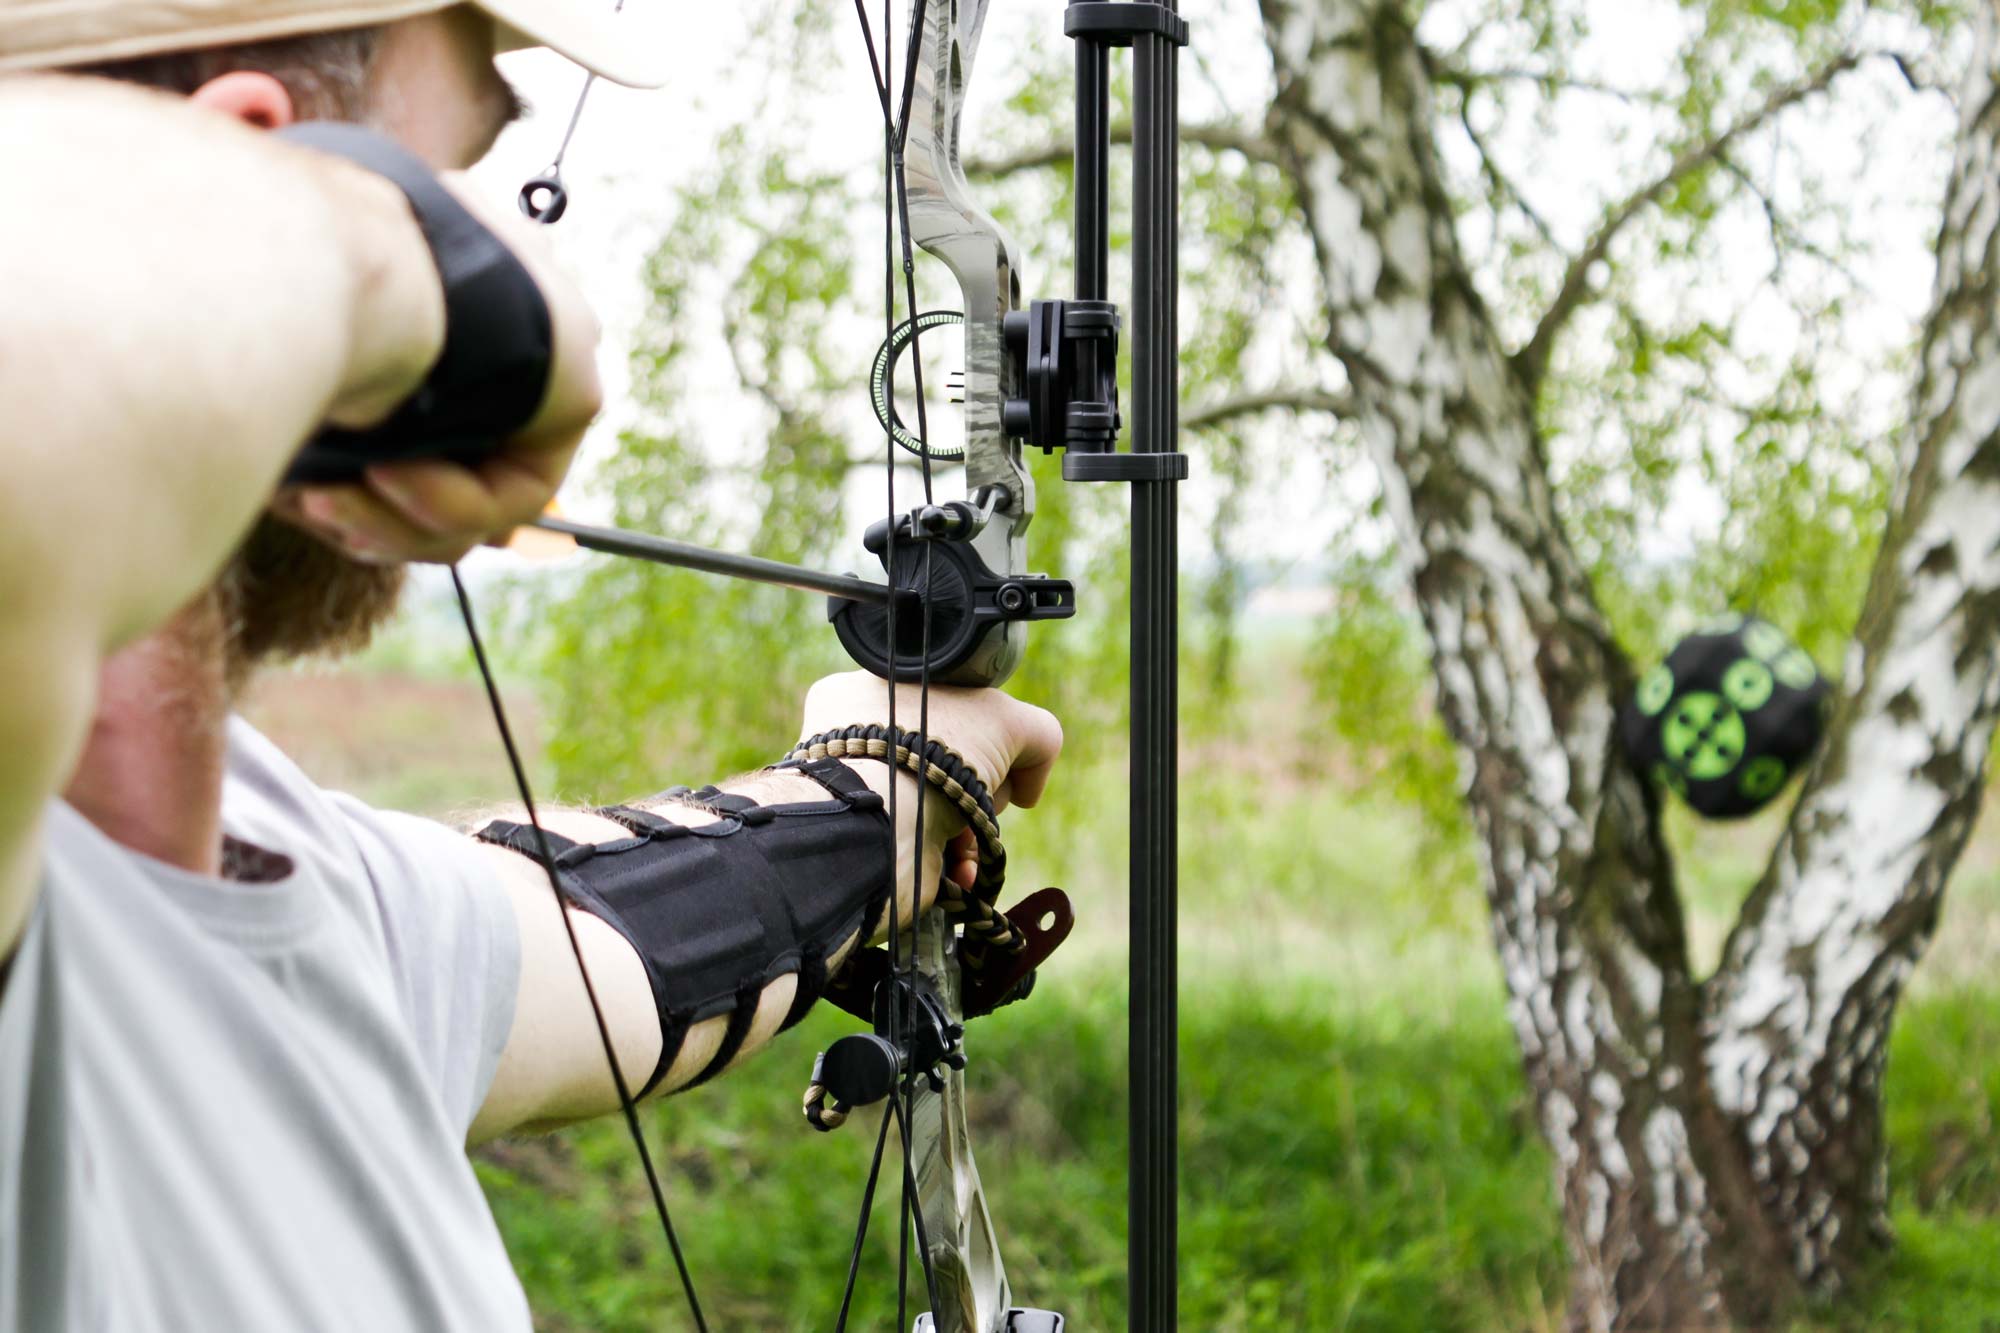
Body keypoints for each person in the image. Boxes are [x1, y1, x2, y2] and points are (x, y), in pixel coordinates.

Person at [0, 3, 1063, 1328]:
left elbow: (622, 940)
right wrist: (370, 264)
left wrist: (884, 785)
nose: (504, 241)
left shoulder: (280, 868)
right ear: (261, 166)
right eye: (456, 176)